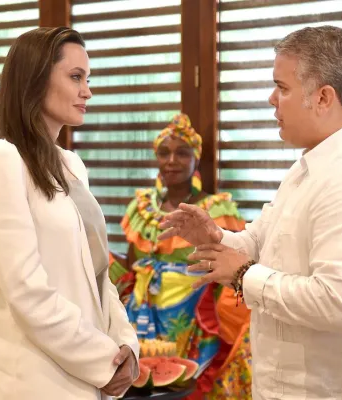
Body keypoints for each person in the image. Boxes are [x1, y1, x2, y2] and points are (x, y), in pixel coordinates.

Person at [159, 26, 342, 399]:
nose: (271, 99)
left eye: (282, 88)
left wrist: (244, 275)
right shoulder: (310, 166)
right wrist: (217, 238)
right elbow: (264, 240)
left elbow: (337, 303)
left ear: (323, 97)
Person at [0, 27, 138, 400]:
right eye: (76, 77)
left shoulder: (72, 165)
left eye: (88, 79)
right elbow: (26, 291)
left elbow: (99, 274)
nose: (87, 91)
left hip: (88, 381)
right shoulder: (0, 157)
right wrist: (102, 360)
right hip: (33, 382)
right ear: (35, 79)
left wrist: (126, 345)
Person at [108, 113, 252, 399]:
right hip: (141, 318)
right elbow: (132, 267)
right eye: (164, 153)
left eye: (182, 153)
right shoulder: (142, 208)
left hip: (194, 324)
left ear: (196, 159)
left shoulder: (215, 210)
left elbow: (232, 267)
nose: (171, 160)